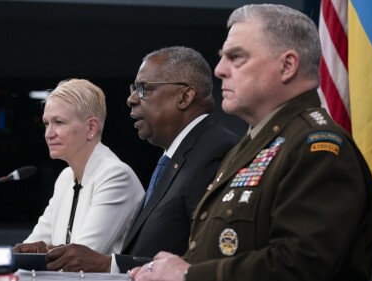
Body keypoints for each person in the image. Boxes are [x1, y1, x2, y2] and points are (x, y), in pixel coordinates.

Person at [129, 4, 372, 281]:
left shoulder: (317, 149)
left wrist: (189, 274)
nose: (220, 70)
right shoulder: (251, 147)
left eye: (236, 57)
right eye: (222, 57)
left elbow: (303, 267)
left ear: (287, 66)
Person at [38, 46, 240, 272]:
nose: (131, 99)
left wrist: (109, 264)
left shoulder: (215, 150)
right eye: (134, 89)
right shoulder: (176, 155)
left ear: (184, 97)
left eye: (144, 89)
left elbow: (206, 258)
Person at [0, 78, 145, 256]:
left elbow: (79, 257)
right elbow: (30, 248)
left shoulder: (116, 176)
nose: (48, 134)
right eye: (46, 123)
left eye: (59, 122)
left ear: (90, 128)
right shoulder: (65, 177)